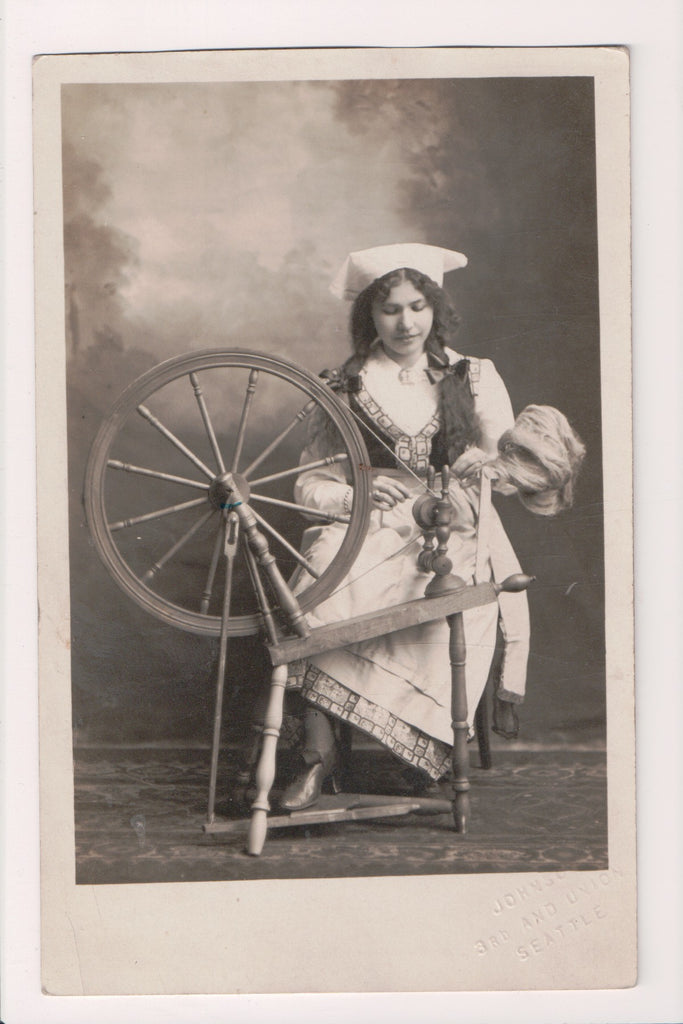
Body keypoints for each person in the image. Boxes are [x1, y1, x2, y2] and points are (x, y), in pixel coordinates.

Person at [280, 243, 584, 811]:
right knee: (318, 586)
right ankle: (316, 758)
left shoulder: (473, 377)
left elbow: (502, 466)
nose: (405, 322)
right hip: (372, 524)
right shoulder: (343, 386)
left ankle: (422, 749)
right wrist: (356, 494)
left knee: (445, 598)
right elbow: (308, 487)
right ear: (368, 314)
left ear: (435, 308)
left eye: (417, 306)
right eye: (389, 309)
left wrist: (478, 475)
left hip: (453, 526)